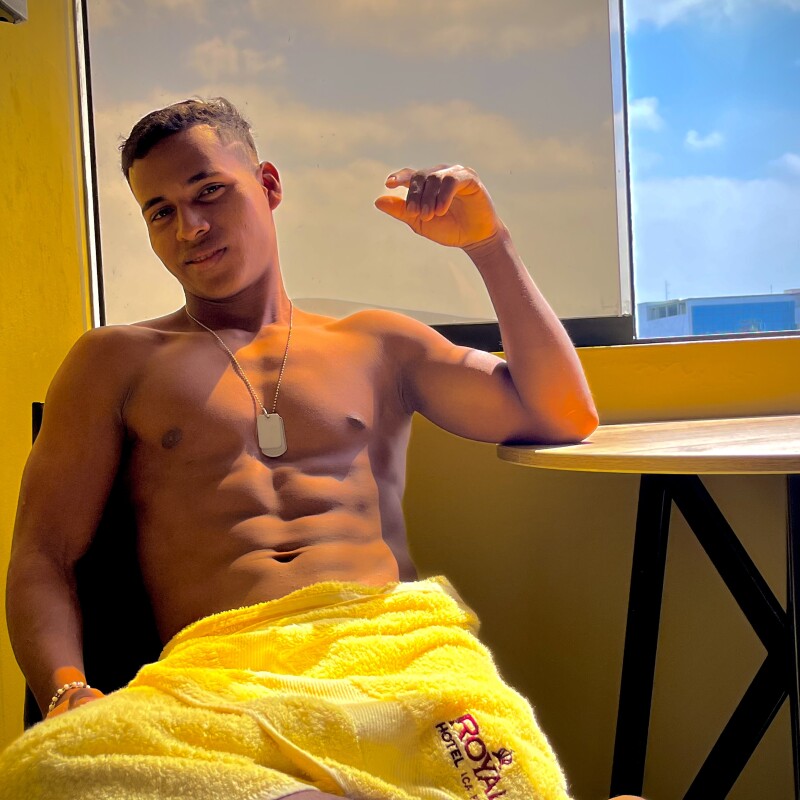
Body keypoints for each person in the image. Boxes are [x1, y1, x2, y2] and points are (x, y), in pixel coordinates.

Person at [1, 98, 637, 800]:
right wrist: (67, 691)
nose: (190, 227)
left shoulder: (377, 343)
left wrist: (488, 244)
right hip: (217, 681)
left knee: (510, 778)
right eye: (160, 212)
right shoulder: (115, 360)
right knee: (47, 768)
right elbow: (44, 555)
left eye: (209, 191)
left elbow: (562, 412)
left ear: (268, 184)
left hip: (400, 662)